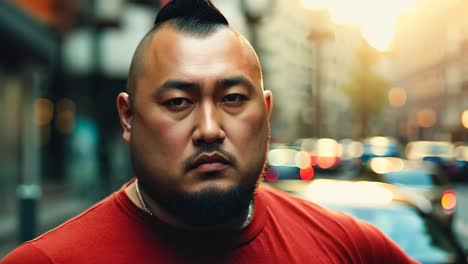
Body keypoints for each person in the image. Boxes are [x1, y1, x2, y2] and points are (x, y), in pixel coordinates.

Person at [1, 0, 418, 263]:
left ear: (266, 111)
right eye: (178, 103)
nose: (209, 128)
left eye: (233, 98)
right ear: (128, 118)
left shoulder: (348, 246)